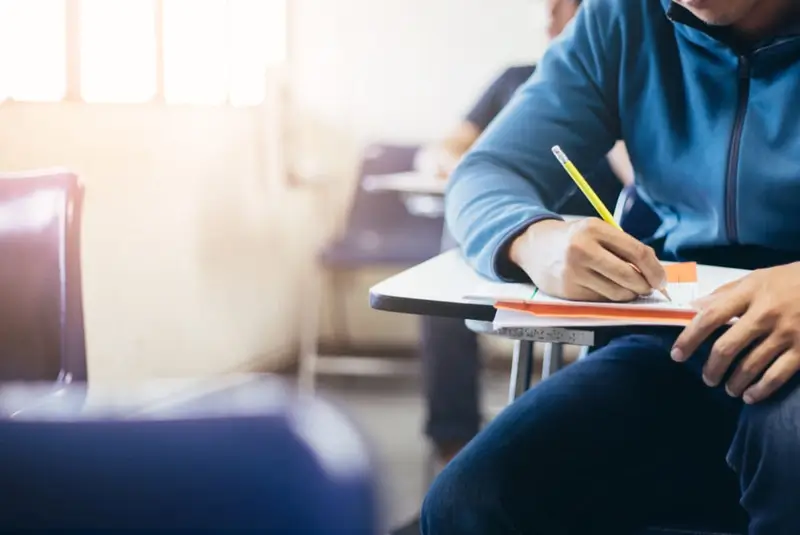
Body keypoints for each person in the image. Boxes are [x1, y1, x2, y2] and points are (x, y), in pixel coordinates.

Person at [421, 0, 800, 533]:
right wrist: (536, 239)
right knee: (470, 501)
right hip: (675, 335)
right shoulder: (621, 17)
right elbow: (486, 171)